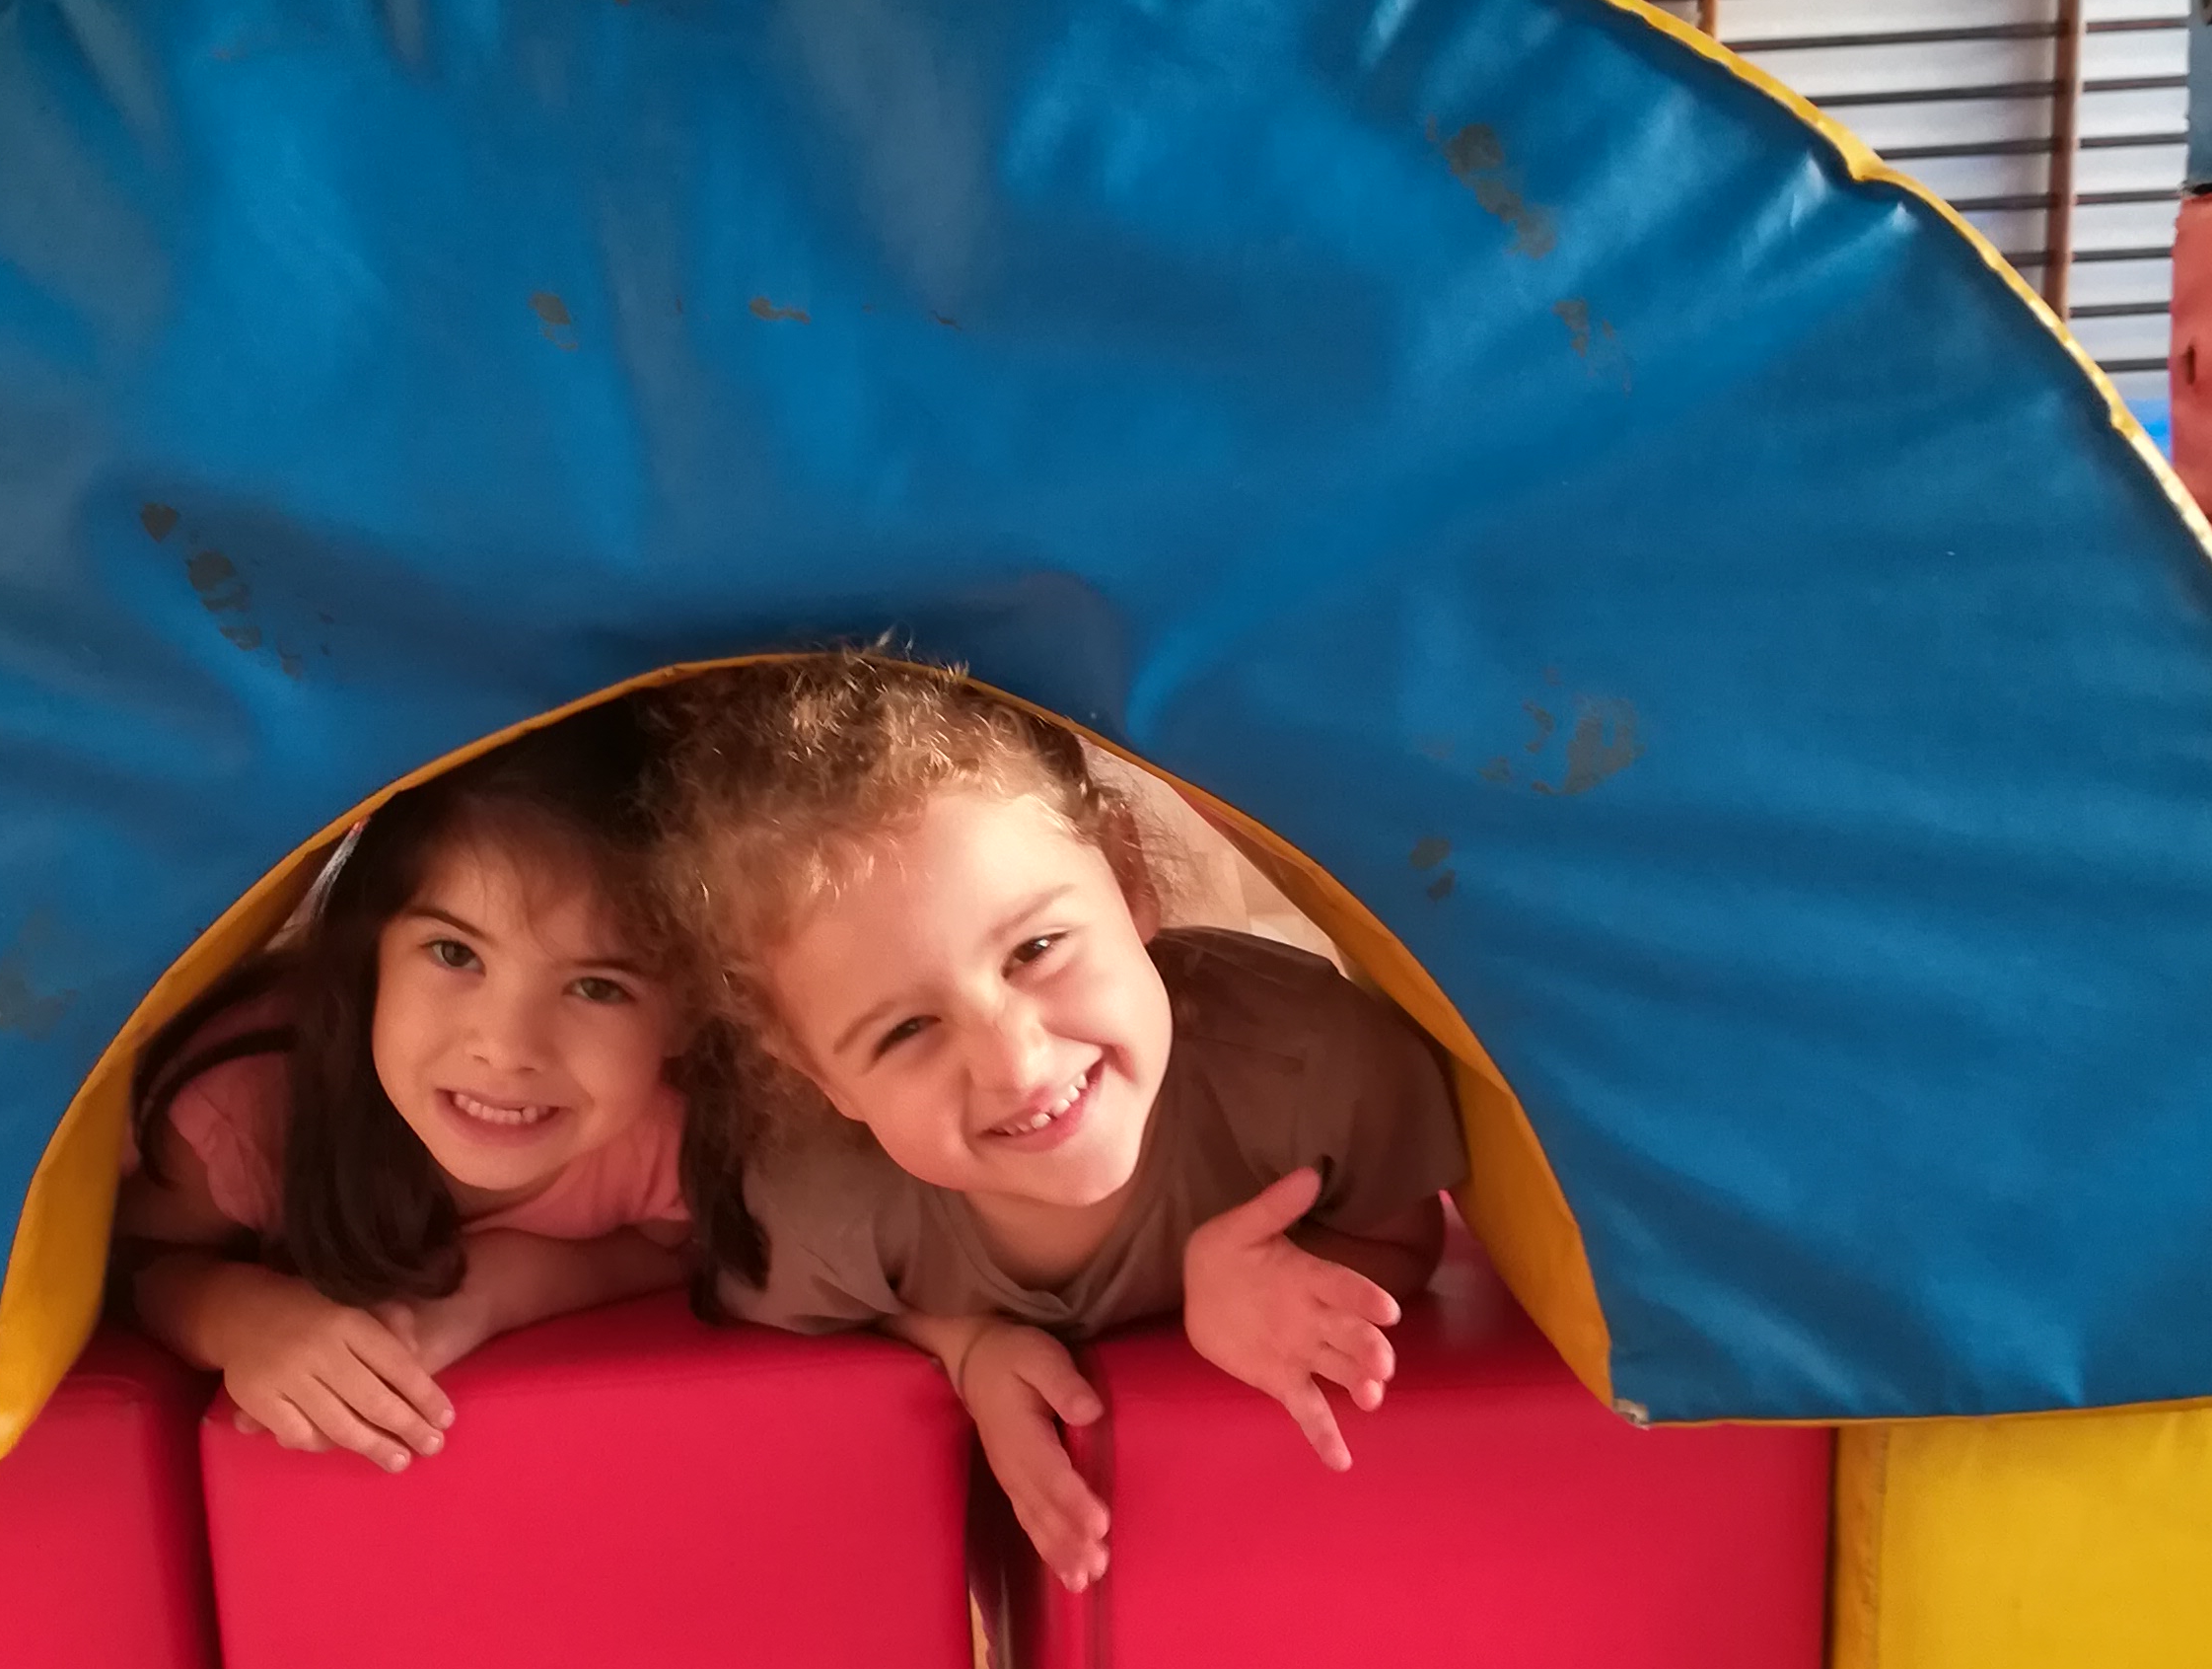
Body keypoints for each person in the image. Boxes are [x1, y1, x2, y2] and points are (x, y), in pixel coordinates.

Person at [658, 653, 1463, 1590]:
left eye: (1035, 949)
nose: (1016, 1065)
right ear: (814, 1072)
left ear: (1127, 875)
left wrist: (1263, 1279)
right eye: (907, 1030)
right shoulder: (824, 1209)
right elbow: (778, 1320)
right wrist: (965, 1345)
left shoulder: (1309, 1064)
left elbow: (1404, 1232)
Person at [115, 700, 690, 1471]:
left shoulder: (661, 1130)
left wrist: (501, 1287)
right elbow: (129, 1259)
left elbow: (690, 1253)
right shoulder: (248, 1106)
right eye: (455, 953)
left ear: (688, 1017)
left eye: (597, 987)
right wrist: (234, 1315)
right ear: (369, 956)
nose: (505, 1049)